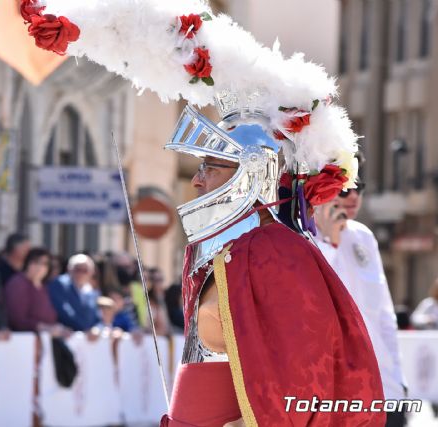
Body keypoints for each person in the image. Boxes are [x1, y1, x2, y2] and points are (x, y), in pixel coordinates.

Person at [24, 2, 386, 425]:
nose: (196, 182)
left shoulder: (273, 252)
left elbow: (299, 381)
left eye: (210, 167)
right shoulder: (237, 249)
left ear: (253, 172)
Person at [314, 169, 408, 427]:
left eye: (359, 188)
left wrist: (398, 378)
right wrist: (330, 243)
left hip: (385, 385)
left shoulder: (363, 235)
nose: (354, 196)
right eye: (344, 189)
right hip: (340, 391)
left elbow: (384, 315)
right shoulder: (306, 239)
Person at [5, 247, 66, 335]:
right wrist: (44, 327)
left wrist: (59, 328)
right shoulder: (18, 284)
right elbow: (17, 320)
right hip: (23, 341)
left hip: (44, 341)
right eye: (35, 262)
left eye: (45, 264)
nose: (40, 267)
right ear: (27, 263)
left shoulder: (44, 287)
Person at [48, 254, 100, 332]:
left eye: (85, 270)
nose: (81, 273)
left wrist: (96, 329)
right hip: (64, 336)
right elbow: (64, 310)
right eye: (77, 269)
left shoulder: (92, 291)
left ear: (92, 272)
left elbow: (97, 316)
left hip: (86, 339)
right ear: (69, 269)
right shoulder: (59, 284)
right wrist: (84, 328)